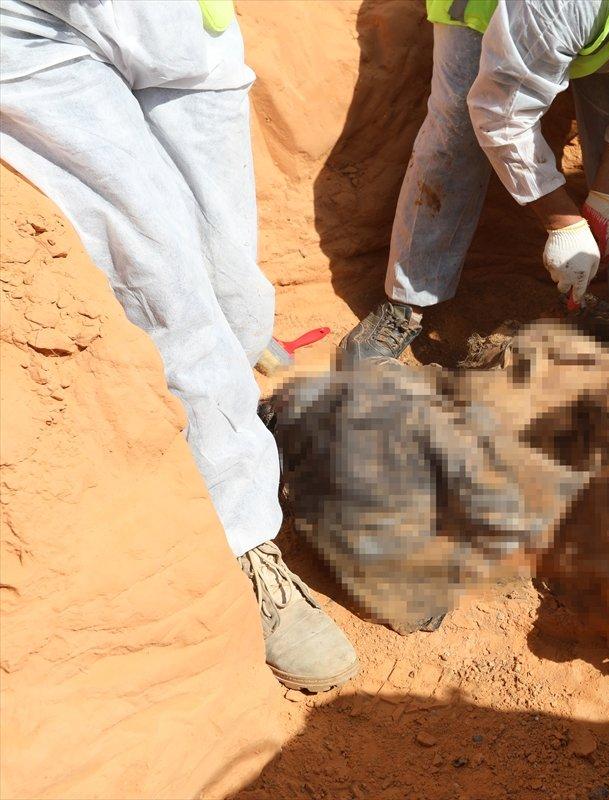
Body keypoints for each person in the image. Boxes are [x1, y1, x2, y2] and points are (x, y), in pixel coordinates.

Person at [0, 0, 358, 691]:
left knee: (232, 274)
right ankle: (249, 538)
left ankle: (242, 352)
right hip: (31, 25)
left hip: (171, 16)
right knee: (163, 272)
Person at [338, 0, 609, 366]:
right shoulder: (563, 5)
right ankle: (405, 305)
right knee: (458, 132)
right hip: (495, 9)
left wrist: (607, 199)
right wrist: (564, 224)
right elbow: (500, 111)